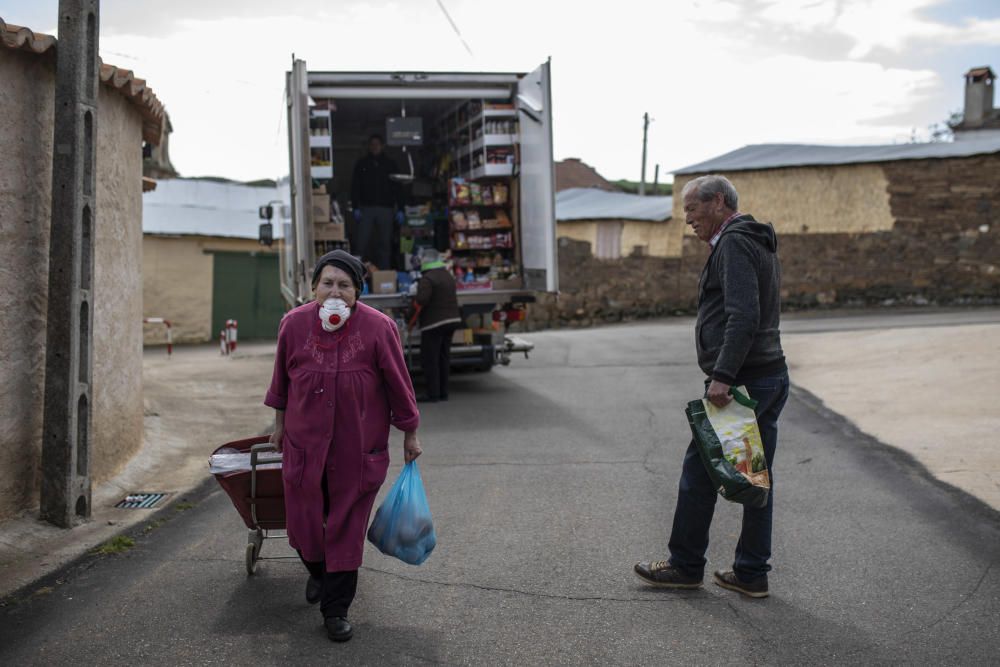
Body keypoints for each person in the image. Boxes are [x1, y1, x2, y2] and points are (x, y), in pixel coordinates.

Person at [634, 174, 789, 599]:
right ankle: (751, 573)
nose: (687, 219)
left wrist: (722, 377)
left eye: (691, 209)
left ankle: (685, 566)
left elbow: (744, 316)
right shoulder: (750, 239)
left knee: (700, 474)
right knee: (755, 478)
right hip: (767, 374)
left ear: (718, 202)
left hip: (743, 383)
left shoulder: (736, 242)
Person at [264, 249, 422, 642]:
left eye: (344, 285)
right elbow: (281, 383)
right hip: (304, 446)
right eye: (327, 283)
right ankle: (318, 570)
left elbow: (399, 386)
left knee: (345, 528)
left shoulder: (379, 328)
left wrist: (410, 433)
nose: (335, 291)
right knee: (303, 524)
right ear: (313, 287)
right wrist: (279, 425)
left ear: (357, 292)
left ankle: (335, 609)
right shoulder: (293, 324)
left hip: (357, 449)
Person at [413, 249, 462, 402]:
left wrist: (410, 314)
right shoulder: (448, 275)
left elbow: (421, 300)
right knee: (443, 357)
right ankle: (443, 392)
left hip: (434, 323)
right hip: (452, 321)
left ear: (426, 262)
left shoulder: (428, 278)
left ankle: (433, 394)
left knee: (430, 359)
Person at [350, 134, 403, 270]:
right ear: (369, 146)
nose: (374, 147)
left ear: (382, 146)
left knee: (385, 244)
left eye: (377, 144)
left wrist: (401, 208)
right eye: (372, 144)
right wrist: (355, 207)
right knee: (361, 243)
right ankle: (357, 274)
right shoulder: (362, 164)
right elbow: (355, 186)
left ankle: (384, 275)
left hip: (386, 209)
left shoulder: (390, 164)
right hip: (366, 209)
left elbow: (398, 187)